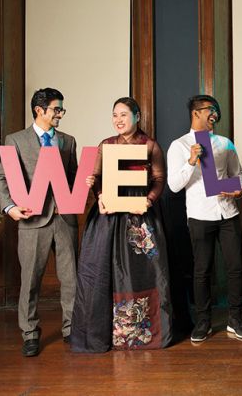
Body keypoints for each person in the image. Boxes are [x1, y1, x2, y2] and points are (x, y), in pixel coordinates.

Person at [70, 97, 172, 352]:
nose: (118, 120)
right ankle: (102, 333)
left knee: (143, 271)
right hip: (109, 215)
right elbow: (97, 178)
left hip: (140, 216)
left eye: (124, 114)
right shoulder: (106, 145)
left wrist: (148, 200)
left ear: (137, 116)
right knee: (100, 271)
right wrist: (99, 196)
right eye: (114, 115)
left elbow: (159, 179)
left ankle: (142, 333)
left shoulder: (149, 145)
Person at [0, 88, 78, 356]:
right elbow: (0, 179)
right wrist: (9, 207)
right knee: (30, 280)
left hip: (65, 218)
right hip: (32, 220)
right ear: (39, 110)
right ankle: (30, 333)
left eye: (61, 109)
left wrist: (84, 185)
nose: (60, 114)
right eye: (56, 109)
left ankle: (71, 328)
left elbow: (73, 176)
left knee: (71, 279)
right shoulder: (16, 140)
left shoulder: (68, 141)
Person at [167, 94, 242, 342]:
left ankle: (235, 320)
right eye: (210, 110)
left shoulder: (225, 143)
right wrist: (191, 161)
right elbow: (174, 186)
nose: (215, 114)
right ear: (196, 113)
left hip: (229, 213)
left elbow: (240, 176)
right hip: (200, 216)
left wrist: (239, 189)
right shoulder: (179, 146)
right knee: (202, 271)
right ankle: (203, 323)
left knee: (235, 268)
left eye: (216, 110)